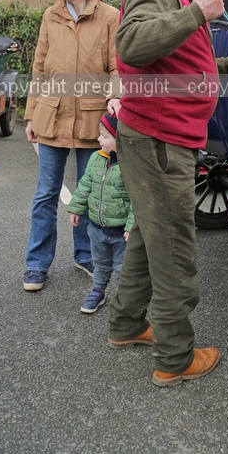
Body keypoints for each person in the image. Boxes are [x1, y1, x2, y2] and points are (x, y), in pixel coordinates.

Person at [107, 0, 228, 386]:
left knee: (150, 237)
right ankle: (174, 358)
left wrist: (226, 64)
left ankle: (126, 325)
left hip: (160, 137)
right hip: (160, 141)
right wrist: (196, 13)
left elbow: (177, 60)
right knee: (174, 248)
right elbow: (131, 44)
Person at [23, 0, 121, 292]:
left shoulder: (110, 17)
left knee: (90, 192)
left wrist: (115, 96)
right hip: (51, 115)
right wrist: (30, 114)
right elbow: (39, 67)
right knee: (46, 194)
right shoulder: (50, 16)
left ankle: (86, 256)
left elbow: (116, 67)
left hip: (92, 121)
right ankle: (36, 263)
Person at [68, 113, 134, 313]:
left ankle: (125, 300)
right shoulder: (95, 158)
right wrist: (76, 207)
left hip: (121, 233)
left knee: (123, 268)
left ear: (120, 140)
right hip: (96, 228)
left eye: (104, 136)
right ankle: (98, 291)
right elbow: (85, 184)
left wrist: (132, 225)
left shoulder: (131, 165)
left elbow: (137, 199)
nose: (98, 139)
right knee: (100, 263)